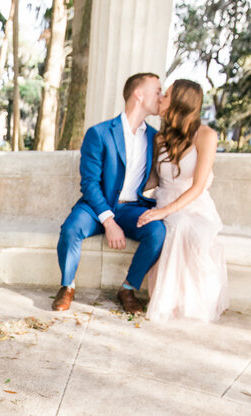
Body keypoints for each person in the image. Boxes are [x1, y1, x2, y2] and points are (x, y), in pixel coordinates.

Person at [52, 73, 167, 314]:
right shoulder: (100, 133)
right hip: (97, 205)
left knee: (157, 232)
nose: (161, 96)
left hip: (132, 208)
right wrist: (109, 221)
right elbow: (90, 183)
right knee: (71, 228)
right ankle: (67, 286)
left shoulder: (155, 138)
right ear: (139, 93)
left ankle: (127, 288)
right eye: (157, 90)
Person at [137, 79, 229, 323]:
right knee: (174, 224)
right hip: (164, 200)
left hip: (194, 205)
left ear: (179, 101)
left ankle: (190, 303)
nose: (161, 99)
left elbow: (198, 186)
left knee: (185, 227)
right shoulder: (160, 138)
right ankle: (168, 301)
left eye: (166, 95)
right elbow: (154, 180)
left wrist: (163, 211)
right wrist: (124, 192)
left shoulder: (206, 136)